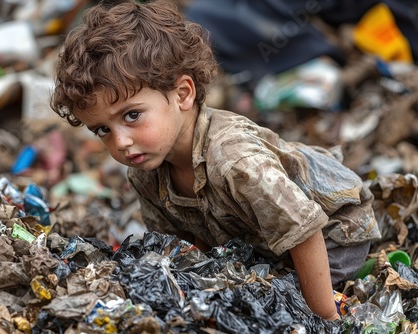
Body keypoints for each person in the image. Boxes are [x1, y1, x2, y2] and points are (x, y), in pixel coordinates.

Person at [50, 0, 381, 321]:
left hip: (335, 235)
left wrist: (324, 315)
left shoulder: (233, 158)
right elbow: (183, 245)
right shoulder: (145, 171)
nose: (120, 142)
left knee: (266, 303)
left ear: (182, 94)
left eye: (132, 115)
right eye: (103, 130)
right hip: (263, 242)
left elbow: (305, 232)